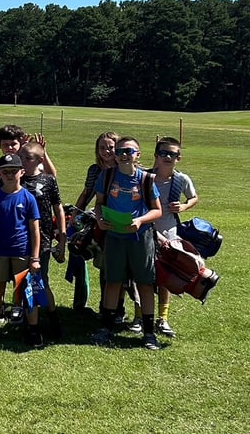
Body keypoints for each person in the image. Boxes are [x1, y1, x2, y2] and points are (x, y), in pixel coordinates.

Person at [90, 136, 163, 350]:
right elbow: (99, 204)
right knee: (113, 282)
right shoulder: (106, 176)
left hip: (140, 238)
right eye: (120, 151)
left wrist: (140, 221)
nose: (124, 155)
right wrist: (100, 220)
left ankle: (149, 333)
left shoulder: (146, 179)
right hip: (114, 237)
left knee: (145, 283)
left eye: (129, 151)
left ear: (137, 155)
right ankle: (106, 328)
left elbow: (157, 210)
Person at [0, 153, 43, 347]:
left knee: (27, 291)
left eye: (13, 171)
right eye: (5, 171)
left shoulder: (28, 197)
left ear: (21, 172)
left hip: (22, 253)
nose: (9, 175)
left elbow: (34, 230)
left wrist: (34, 257)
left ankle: (33, 329)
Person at [150, 136, 198, 338]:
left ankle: (162, 318)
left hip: (170, 233)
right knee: (141, 276)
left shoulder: (181, 179)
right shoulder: (145, 177)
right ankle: (138, 316)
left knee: (165, 278)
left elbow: (194, 197)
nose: (168, 157)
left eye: (172, 154)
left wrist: (184, 206)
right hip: (146, 232)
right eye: (163, 153)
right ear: (156, 155)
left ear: (179, 157)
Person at [19, 141, 67, 341]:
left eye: (27, 158)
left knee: (40, 281)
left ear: (39, 160)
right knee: (22, 280)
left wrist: (62, 237)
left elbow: (58, 208)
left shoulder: (48, 180)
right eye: (21, 156)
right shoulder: (15, 179)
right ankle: (28, 320)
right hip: (20, 237)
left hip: (44, 238)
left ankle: (52, 316)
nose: (22, 161)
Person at [71, 131, 119, 316]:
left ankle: (122, 310)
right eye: (102, 147)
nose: (106, 151)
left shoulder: (125, 168)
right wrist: (75, 215)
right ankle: (105, 308)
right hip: (102, 223)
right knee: (104, 266)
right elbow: (86, 194)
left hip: (123, 223)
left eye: (111, 147)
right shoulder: (95, 170)